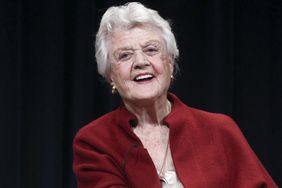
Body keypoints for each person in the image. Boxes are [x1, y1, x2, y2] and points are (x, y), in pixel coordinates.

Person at [73, 2, 278, 188]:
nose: (140, 62)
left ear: (170, 62)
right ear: (110, 75)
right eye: (125, 55)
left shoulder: (220, 130)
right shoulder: (94, 142)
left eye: (151, 50)